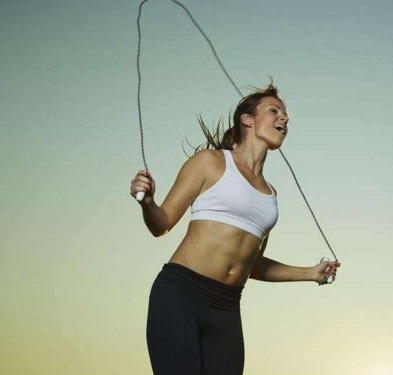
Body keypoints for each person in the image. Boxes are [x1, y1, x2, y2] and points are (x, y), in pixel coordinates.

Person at [130, 83, 341, 375]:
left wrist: (309, 273)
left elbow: (251, 265)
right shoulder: (211, 163)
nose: (284, 119)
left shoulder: (270, 196)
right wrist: (148, 202)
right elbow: (161, 224)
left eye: (286, 117)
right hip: (181, 295)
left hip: (226, 309)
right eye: (274, 110)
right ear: (247, 119)